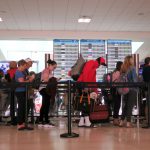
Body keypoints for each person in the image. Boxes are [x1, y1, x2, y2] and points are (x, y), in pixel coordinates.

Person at [77, 57, 107, 127]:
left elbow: (94, 82)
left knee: (84, 103)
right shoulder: (91, 63)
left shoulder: (94, 68)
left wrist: (95, 91)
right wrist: (85, 86)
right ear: (98, 61)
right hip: (83, 84)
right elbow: (85, 73)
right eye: (101, 64)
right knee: (87, 103)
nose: (100, 66)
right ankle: (87, 123)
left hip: (84, 85)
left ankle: (81, 122)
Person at [15, 59, 35, 130]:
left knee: (24, 106)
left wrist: (28, 78)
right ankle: (20, 123)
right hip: (20, 91)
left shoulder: (22, 72)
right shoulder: (18, 72)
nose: (25, 68)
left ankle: (22, 123)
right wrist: (29, 80)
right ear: (21, 65)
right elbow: (22, 82)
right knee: (21, 107)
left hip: (23, 91)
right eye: (24, 66)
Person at [119, 56, 138, 128]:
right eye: (132, 59)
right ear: (130, 60)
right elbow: (135, 80)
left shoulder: (123, 69)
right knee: (130, 106)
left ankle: (121, 122)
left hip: (125, 90)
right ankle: (128, 123)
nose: (133, 60)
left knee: (125, 106)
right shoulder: (132, 68)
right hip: (132, 89)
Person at [38, 59, 57, 128]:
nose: (54, 69)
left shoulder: (48, 71)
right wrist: (53, 79)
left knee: (45, 104)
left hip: (45, 89)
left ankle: (42, 120)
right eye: (54, 67)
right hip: (44, 89)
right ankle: (44, 120)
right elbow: (45, 80)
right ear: (50, 65)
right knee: (45, 105)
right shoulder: (46, 71)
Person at [111, 61, 123, 126]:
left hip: (114, 89)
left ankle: (115, 118)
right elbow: (119, 81)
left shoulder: (114, 71)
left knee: (116, 104)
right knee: (117, 104)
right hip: (116, 89)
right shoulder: (118, 72)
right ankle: (115, 119)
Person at [142, 57, 150, 128]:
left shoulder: (144, 69)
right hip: (148, 88)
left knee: (147, 104)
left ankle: (147, 121)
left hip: (146, 89)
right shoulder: (148, 68)